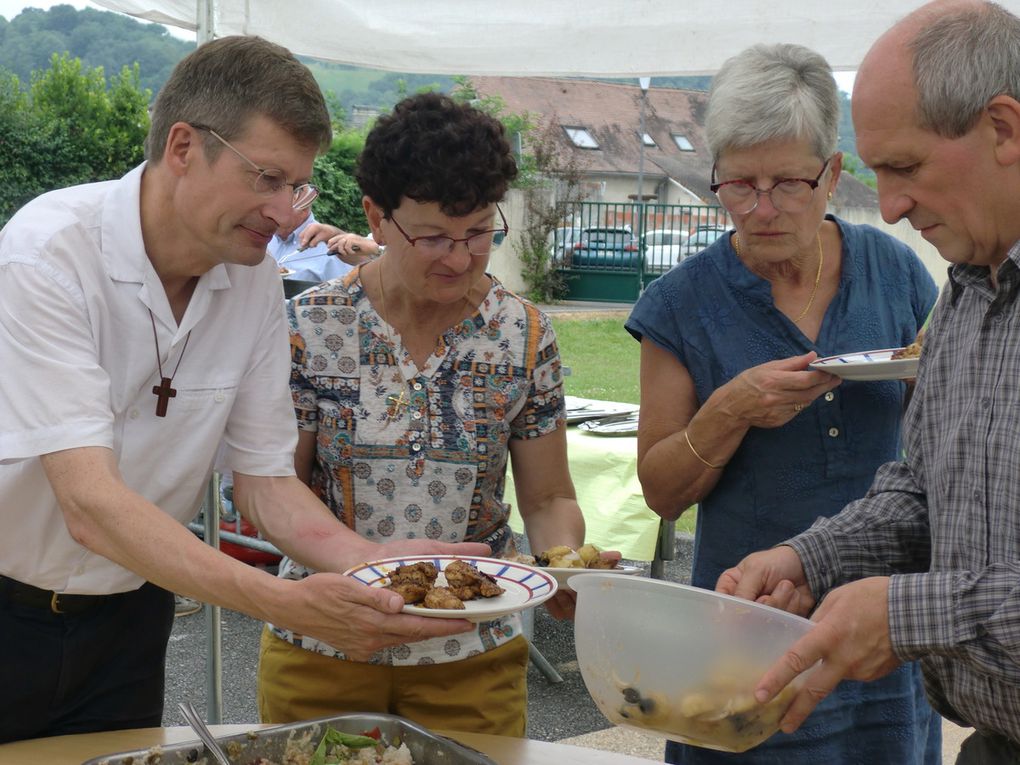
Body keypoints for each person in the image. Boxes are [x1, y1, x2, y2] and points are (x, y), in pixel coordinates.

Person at [0, 36, 489, 745]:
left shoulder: (253, 275)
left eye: (297, 187)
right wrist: (285, 602)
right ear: (182, 147)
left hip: (131, 616)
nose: (286, 212)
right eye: (266, 178)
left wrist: (389, 567)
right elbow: (89, 507)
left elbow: (265, 483)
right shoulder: (45, 256)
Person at [716, 3, 1020, 762]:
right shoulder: (969, 296)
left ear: (1004, 129)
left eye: (906, 167)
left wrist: (905, 613)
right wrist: (811, 558)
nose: (889, 207)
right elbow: (922, 491)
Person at [624, 43, 942, 764]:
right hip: (745, 633)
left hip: (880, 633)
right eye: (738, 184)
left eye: (788, 183)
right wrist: (730, 409)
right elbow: (661, 491)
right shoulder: (680, 304)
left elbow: (934, 441)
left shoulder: (892, 269)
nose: (760, 209)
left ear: (832, 174)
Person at [257, 92, 598, 736]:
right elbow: (277, 492)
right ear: (375, 219)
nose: (461, 258)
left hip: (473, 653)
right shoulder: (309, 326)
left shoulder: (523, 333)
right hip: (326, 641)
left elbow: (549, 494)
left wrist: (563, 559)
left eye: (478, 233)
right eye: (434, 236)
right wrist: (360, 566)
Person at [268, 206, 354, 283]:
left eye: (277, 209)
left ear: (303, 208)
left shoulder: (332, 247)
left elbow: (346, 294)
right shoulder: (263, 237)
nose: (268, 215)